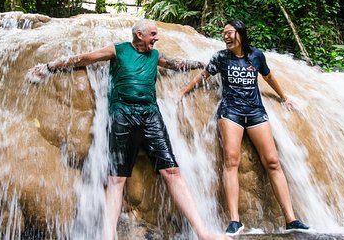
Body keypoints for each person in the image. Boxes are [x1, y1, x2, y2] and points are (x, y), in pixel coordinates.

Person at [28, 19, 227, 240]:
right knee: (116, 179)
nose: (156, 37)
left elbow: (174, 64)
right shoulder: (117, 50)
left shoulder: (155, 55)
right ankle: (108, 236)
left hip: (151, 116)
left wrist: (199, 63)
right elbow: (83, 59)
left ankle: (203, 232)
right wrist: (49, 67)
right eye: (153, 34)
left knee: (172, 172)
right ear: (139, 35)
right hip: (122, 116)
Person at [179, 19, 310, 236]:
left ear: (240, 33)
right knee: (231, 161)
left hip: (256, 111)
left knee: (273, 161)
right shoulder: (221, 57)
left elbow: (268, 76)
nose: (226, 36)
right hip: (231, 112)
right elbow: (203, 76)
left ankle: (291, 219)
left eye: (229, 32)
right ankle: (234, 220)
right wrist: (183, 92)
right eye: (224, 34)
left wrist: (284, 97)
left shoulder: (256, 56)